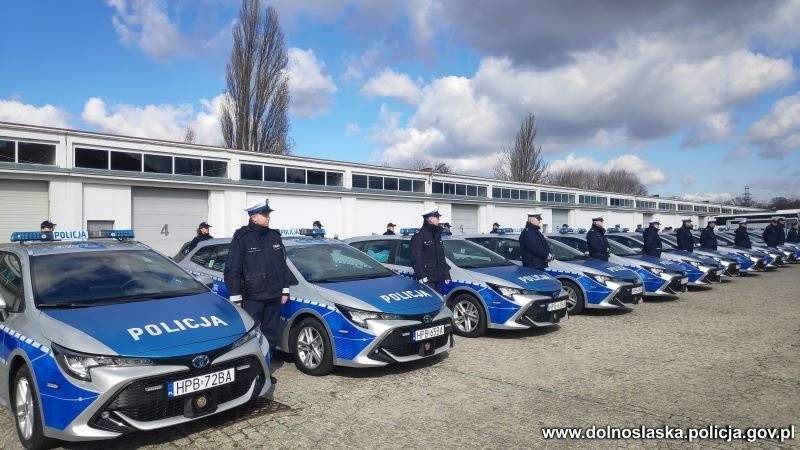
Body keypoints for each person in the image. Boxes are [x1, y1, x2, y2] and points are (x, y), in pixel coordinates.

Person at [224, 198, 289, 385]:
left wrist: (285, 290)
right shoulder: (242, 238)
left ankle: (265, 371)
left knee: (271, 335)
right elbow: (232, 270)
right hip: (252, 297)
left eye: (268, 214)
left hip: (274, 295)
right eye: (265, 214)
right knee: (252, 337)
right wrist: (236, 297)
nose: (269, 218)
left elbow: (282, 266)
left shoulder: (274, 236)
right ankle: (252, 373)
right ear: (254, 217)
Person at [410, 207, 451, 293]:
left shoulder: (436, 234)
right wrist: (423, 277)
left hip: (438, 278)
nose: (439, 219)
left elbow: (441, 257)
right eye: (437, 217)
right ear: (430, 219)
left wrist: (446, 274)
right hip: (428, 279)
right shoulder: (420, 235)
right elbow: (416, 259)